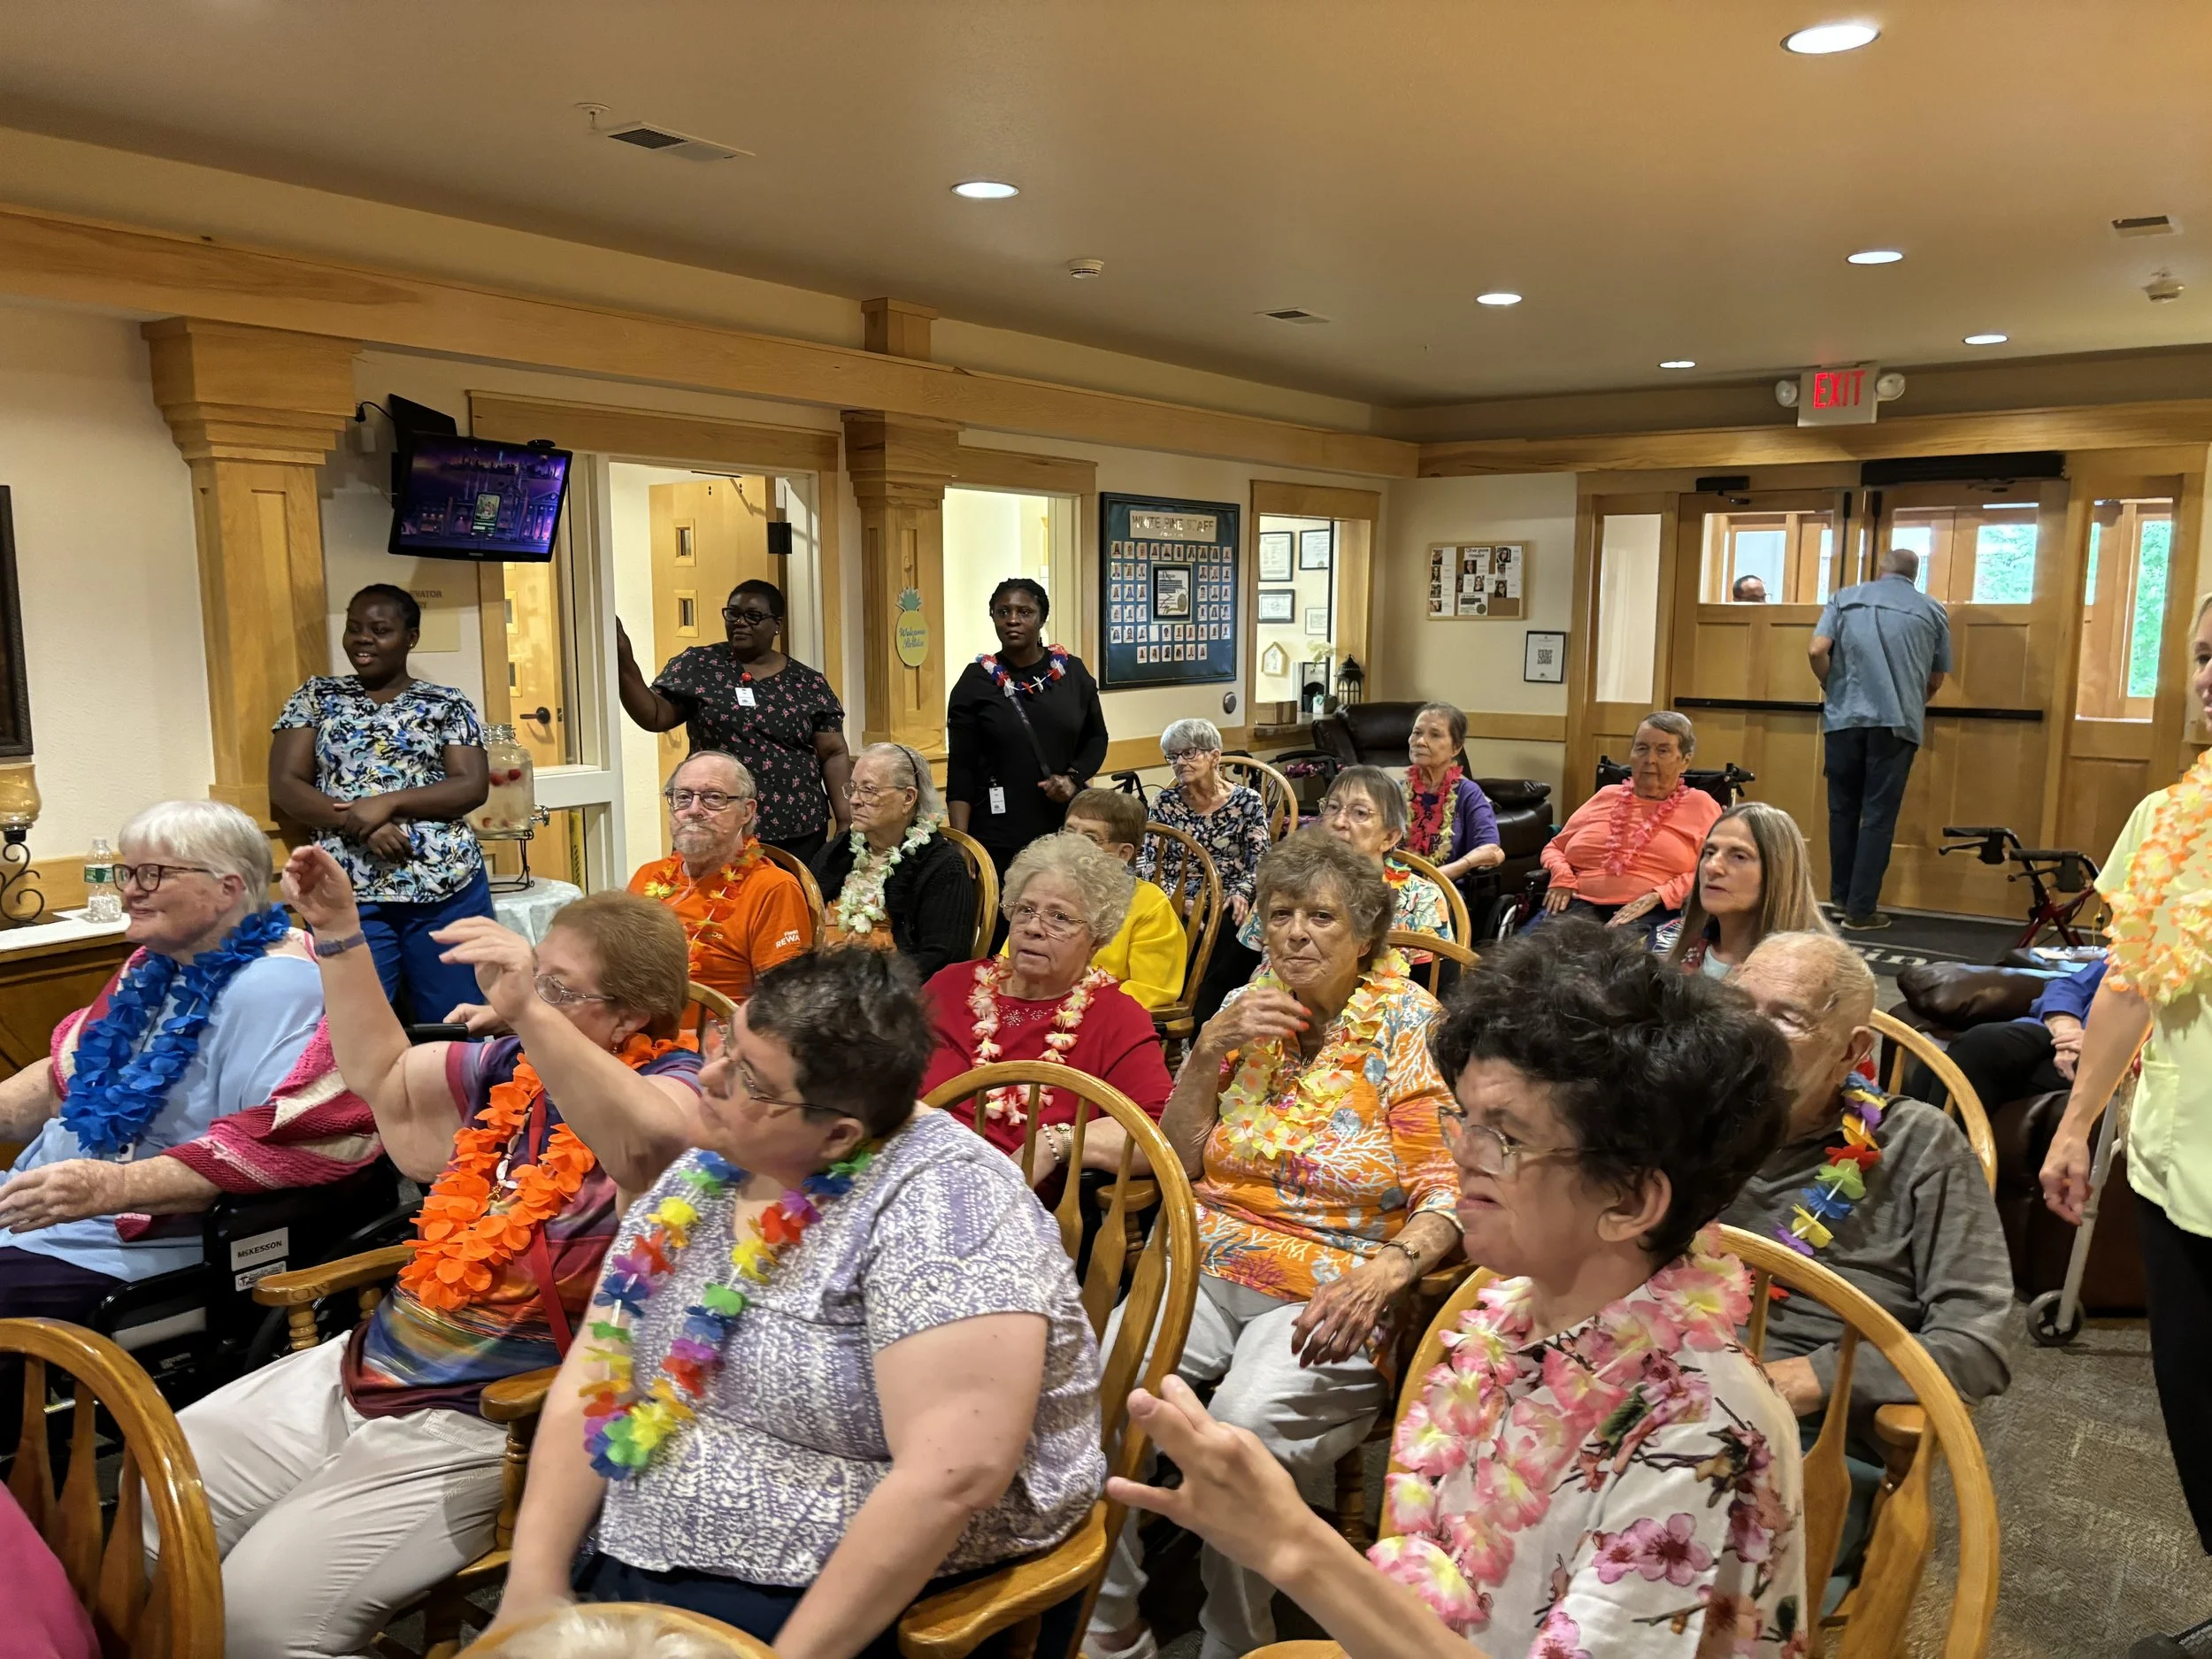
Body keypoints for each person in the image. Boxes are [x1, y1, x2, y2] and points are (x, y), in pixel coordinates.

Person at [1100, 920, 1803, 1659]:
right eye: (1464, 1117)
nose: (1460, 1153)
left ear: (1628, 1201)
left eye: (1504, 1135)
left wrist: (1294, 1545)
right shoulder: (1509, 1316)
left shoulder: (1699, 1434)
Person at [155, 844, 707, 1659]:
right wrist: (340, 932)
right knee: (148, 1506)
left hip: (485, 1417)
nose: (529, 997)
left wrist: (528, 1012)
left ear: (628, 1017)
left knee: (258, 1623)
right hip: (366, 1364)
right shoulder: (511, 1067)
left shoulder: (682, 1087)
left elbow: (650, 1142)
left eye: (558, 987)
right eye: (535, 975)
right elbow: (379, 1072)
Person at [488, 950, 1105, 1659]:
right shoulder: (710, 1167)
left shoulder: (951, 1205)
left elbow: (953, 1474)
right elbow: (601, 1365)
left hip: (846, 1594)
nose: (708, 1077)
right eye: (723, 1042)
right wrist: (532, 1583)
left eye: (749, 1079)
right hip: (641, 1544)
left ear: (838, 1134)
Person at [1087, 831, 1463, 1659]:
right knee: (1104, 1386)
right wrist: (1206, 1053)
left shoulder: (1409, 1022)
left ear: (1364, 934)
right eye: (1281, 913)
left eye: (1320, 916)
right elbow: (1181, 1160)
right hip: (1208, 1256)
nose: (1294, 933)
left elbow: (1448, 1188)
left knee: (1242, 1424)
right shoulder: (1248, 1003)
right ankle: (1113, 1622)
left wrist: (1388, 1271)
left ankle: (1237, 1638)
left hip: (1334, 1279)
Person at [0, 801, 374, 1330]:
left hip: (136, 1242)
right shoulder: (151, 966)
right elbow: (64, 1080)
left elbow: (270, 1142)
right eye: (128, 872)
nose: (131, 890)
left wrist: (110, 1188)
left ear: (227, 888)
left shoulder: (277, 986)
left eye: (153, 874)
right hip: (34, 1208)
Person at [1723, 931, 2015, 1604]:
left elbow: (1979, 1342)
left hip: (1811, 1438)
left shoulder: (1921, 1144)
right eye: (1738, 1007)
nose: (1749, 1034)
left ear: (1852, 1050)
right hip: (1663, 1385)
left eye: (1786, 1017)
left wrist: (1818, 1378)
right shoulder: (1682, 1121)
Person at [2041, 594, 2212, 1659]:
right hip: (2174, 1174)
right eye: (2205, 654)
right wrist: (2075, 1126)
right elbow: (2129, 984)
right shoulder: (2165, 818)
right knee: (2197, 1417)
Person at [269, 583, 493, 1019]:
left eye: (380, 630)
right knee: (358, 1022)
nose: (363, 639)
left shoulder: (446, 703)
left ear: (411, 638)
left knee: (454, 1019)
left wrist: (388, 803)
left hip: (446, 886)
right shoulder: (316, 697)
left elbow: (470, 786)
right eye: (354, 628)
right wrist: (360, 822)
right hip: (348, 891)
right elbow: (286, 785)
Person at [920, 833, 1170, 1194]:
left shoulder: (1117, 1018)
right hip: (908, 1172)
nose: (1034, 928)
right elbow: (882, 1073)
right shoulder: (949, 986)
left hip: (1007, 1205)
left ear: (1097, 937)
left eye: (1059, 917)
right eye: (1026, 910)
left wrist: (1052, 1143)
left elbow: (1154, 1132)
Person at [618, 578, 852, 864]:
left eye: (753, 616)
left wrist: (845, 821)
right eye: (733, 614)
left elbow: (833, 752)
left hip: (797, 834)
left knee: (788, 894)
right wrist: (624, 659)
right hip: (712, 826)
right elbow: (655, 715)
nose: (740, 623)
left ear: (777, 624)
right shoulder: (700, 666)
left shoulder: (807, 683)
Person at [1809, 547, 1953, 931]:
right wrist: (1910, 701)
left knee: (1842, 811)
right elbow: (1936, 677)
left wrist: (1832, 686)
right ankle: (1861, 911)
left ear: (1880, 570)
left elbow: (1817, 649)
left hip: (1844, 720)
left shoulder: (1845, 598)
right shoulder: (1931, 610)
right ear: (1915, 575)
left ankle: (1840, 899)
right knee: (1877, 817)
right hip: (1897, 724)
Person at [944, 579, 1108, 875]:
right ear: (993, 617)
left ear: (1042, 618)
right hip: (997, 832)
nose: (1013, 620)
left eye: (1025, 612)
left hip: (1064, 828)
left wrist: (1073, 778)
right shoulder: (975, 682)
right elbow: (961, 769)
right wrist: (962, 842)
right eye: (1003, 612)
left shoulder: (1072, 673)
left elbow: (1096, 737)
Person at [627, 752, 812, 1005]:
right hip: (635, 1022)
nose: (693, 810)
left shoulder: (773, 889)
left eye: (713, 798)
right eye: (683, 797)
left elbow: (785, 1005)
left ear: (746, 811)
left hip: (718, 1030)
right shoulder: (647, 876)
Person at [1230, 765, 1450, 969]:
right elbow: (1229, 975)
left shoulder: (1420, 898)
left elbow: (1436, 990)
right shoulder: (1284, 883)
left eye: (1360, 812)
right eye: (1333, 807)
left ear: (1390, 837)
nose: (1339, 822)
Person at [1537, 710, 1722, 941]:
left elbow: (1714, 867)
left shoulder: (1701, 806)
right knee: (1530, 954)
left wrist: (1661, 895)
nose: (1649, 759)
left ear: (1685, 761)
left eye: (1663, 751)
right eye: (1642, 748)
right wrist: (1562, 876)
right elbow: (1555, 847)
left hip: (1655, 913)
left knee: (1616, 957)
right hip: (1574, 904)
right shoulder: (1606, 795)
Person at [1141, 718, 1273, 1025]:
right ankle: (1179, 1014)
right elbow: (1148, 863)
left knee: (1231, 927)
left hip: (1228, 896)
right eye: (1173, 756)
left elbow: (1262, 860)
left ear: (1215, 756)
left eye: (1189, 753)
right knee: (1173, 926)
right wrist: (1179, 899)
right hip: (1177, 897)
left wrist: (1242, 892)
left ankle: (1209, 1017)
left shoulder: (1247, 802)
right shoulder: (1166, 803)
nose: (1180, 762)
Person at [812, 741, 975, 979]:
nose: (854, 800)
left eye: (869, 790)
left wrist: (869, 985)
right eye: (853, 788)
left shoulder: (943, 868)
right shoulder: (838, 851)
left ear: (908, 798)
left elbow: (942, 959)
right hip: (825, 981)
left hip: (892, 992)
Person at [1905, 956, 2102, 1111]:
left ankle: (1936, 1147)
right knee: (1960, 1053)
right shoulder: (2119, 954)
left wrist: (2097, 1043)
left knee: (1965, 1065)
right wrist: (2066, 1028)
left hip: (2101, 1061)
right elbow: (2068, 986)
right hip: (2057, 1030)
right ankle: (1913, 1143)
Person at [1658, 800, 1830, 978]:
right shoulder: (1668, 943)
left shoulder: (1814, 972)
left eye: (1739, 857)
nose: (1711, 866)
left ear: (1779, 872)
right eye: (1710, 852)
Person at [1058, 787, 1187, 1010]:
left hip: (1103, 1016)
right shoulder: (1045, 893)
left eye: (1090, 838)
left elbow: (1151, 989)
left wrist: (1073, 1006)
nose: (1073, 845)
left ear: (1123, 854)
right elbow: (1012, 963)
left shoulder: (1149, 904)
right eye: (1069, 833)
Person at [1402, 701, 1503, 890]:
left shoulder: (1467, 793)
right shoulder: (1396, 792)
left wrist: (1443, 874)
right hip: (1394, 888)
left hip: (1444, 893)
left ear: (1456, 748)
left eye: (1435, 735)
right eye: (1417, 732)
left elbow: (1492, 851)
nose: (1420, 741)